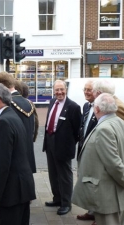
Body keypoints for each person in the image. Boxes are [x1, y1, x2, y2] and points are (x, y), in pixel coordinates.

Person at [77, 79, 124, 225]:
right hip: (115, 192)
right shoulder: (118, 123)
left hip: (108, 192)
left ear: (98, 109)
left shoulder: (104, 129)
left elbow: (113, 162)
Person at [0, 83, 36, 225]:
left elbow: (2, 166)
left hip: (11, 193)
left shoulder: (4, 123)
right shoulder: (11, 116)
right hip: (21, 189)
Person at [43, 79, 81, 215]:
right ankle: (57, 199)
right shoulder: (52, 102)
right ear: (53, 90)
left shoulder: (73, 107)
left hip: (64, 145)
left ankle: (66, 203)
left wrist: (69, 143)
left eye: (62, 89)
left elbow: (77, 131)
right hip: (50, 141)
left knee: (64, 175)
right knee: (53, 173)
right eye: (57, 90)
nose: (59, 92)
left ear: (66, 90)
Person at [0, 72, 37, 173]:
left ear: (0, 86)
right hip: (28, 157)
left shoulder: (8, 104)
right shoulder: (28, 102)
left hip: (15, 162)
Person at [75, 79, 98, 221]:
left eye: (89, 89)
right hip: (83, 150)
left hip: (94, 153)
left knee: (94, 184)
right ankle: (91, 211)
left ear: (96, 91)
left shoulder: (101, 107)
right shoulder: (86, 106)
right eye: (85, 89)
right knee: (85, 182)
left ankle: (99, 216)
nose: (86, 92)